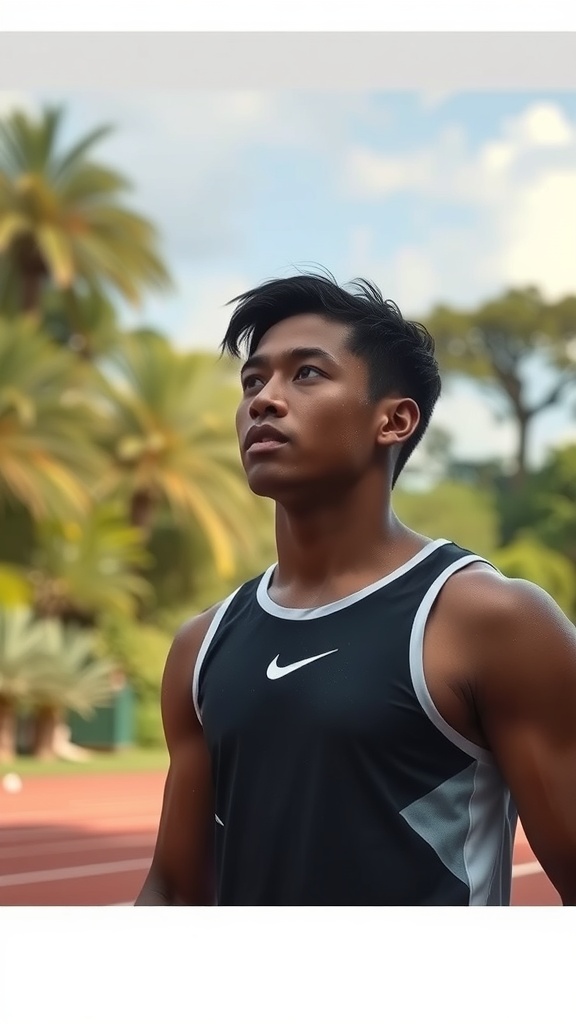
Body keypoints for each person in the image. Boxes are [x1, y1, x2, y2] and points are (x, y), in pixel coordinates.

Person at [135, 272, 576, 906]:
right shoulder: (201, 645)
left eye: (306, 374)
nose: (264, 399)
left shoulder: (488, 620)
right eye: (252, 381)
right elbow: (174, 892)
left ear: (393, 421)